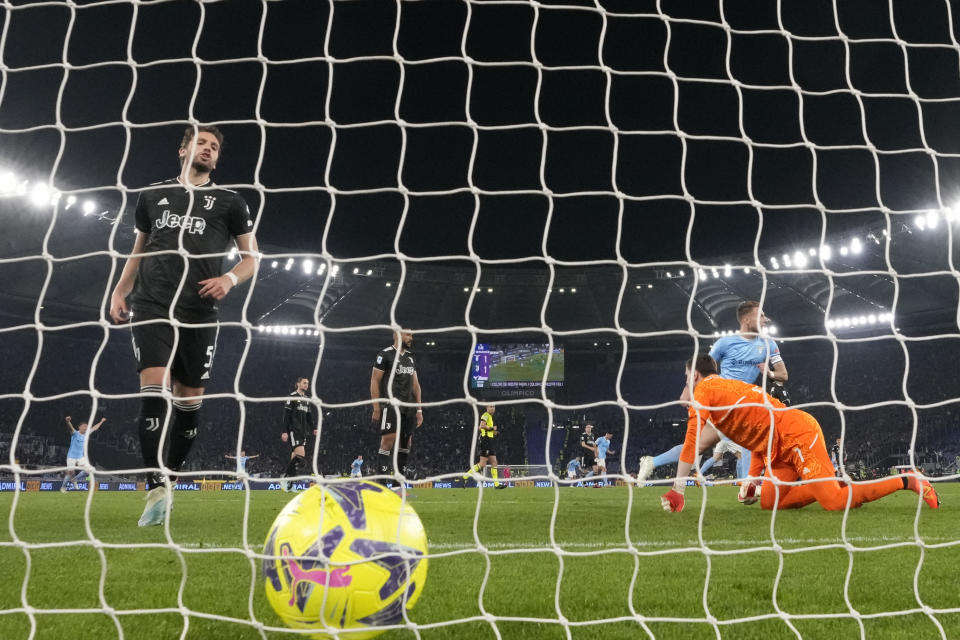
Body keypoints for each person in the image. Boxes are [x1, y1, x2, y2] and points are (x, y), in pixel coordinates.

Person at [110, 125, 258, 526]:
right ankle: (155, 485)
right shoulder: (152, 196)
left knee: (189, 402)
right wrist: (119, 291)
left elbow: (250, 259)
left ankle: (169, 478)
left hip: (199, 312)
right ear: (183, 150)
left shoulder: (230, 202)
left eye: (214, 147)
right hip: (153, 303)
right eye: (202, 143)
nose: (209, 149)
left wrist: (228, 279)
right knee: (153, 388)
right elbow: (138, 251)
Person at [659, 354, 939, 513]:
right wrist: (754, 482)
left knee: (834, 503)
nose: (686, 383)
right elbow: (755, 435)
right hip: (777, 448)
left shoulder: (705, 391)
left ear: (694, 375)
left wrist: (678, 489)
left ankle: (907, 481)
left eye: (686, 377)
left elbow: (692, 440)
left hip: (797, 434)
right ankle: (834, 482)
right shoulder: (725, 392)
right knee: (768, 503)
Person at [639, 300, 788, 483]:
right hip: (723, 401)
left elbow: (783, 375)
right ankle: (747, 486)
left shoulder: (769, 344)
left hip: (745, 401)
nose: (766, 319)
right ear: (747, 319)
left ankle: (653, 462)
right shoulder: (725, 344)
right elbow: (700, 369)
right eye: (761, 315)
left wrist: (770, 372)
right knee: (720, 444)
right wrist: (687, 391)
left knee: (704, 446)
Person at [371, 329, 423, 488]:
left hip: (409, 407)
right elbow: (374, 381)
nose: (411, 338)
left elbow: (415, 385)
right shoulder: (385, 355)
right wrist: (376, 407)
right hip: (391, 404)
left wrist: (419, 409)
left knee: (406, 442)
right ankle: (381, 481)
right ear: (398, 335)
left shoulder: (410, 357)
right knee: (388, 439)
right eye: (408, 335)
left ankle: (397, 482)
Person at [280, 377, 317, 492]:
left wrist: (314, 428)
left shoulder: (307, 399)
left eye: (307, 383)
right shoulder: (292, 397)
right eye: (304, 383)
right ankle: (285, 476)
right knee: (301, 455)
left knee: (295, 457)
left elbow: (309, 416)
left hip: (303, 432)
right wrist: (285, 431)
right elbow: (286, 416)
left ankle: (289, 485)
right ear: (298, 384)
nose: (306, 385)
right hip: (294, 430)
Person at [459, 404, 506, 489]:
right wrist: (491, 429)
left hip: (489, 441)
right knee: (482, 463)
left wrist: (493, 432)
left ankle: (496, 484)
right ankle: (464, 477)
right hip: (486, 441)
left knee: (494, 462)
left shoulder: (489, 417)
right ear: (487, 408)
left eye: (494, 406)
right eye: (490, 407)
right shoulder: (485, 415)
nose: (492, 408)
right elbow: (482, 426)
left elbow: (480, 428)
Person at [61, 415, 106, 492]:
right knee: (70, 473)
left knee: (89, 470)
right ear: (79, 427)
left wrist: (101, 421)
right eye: (84, 426)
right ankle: (63, 487)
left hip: (80, 457)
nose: (86, 428)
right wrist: (68, 421)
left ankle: (75, 479)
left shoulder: (87, 433)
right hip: (71, 456)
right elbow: (70, 428)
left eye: (87, 426)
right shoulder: (75, 433)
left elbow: (95, 428)